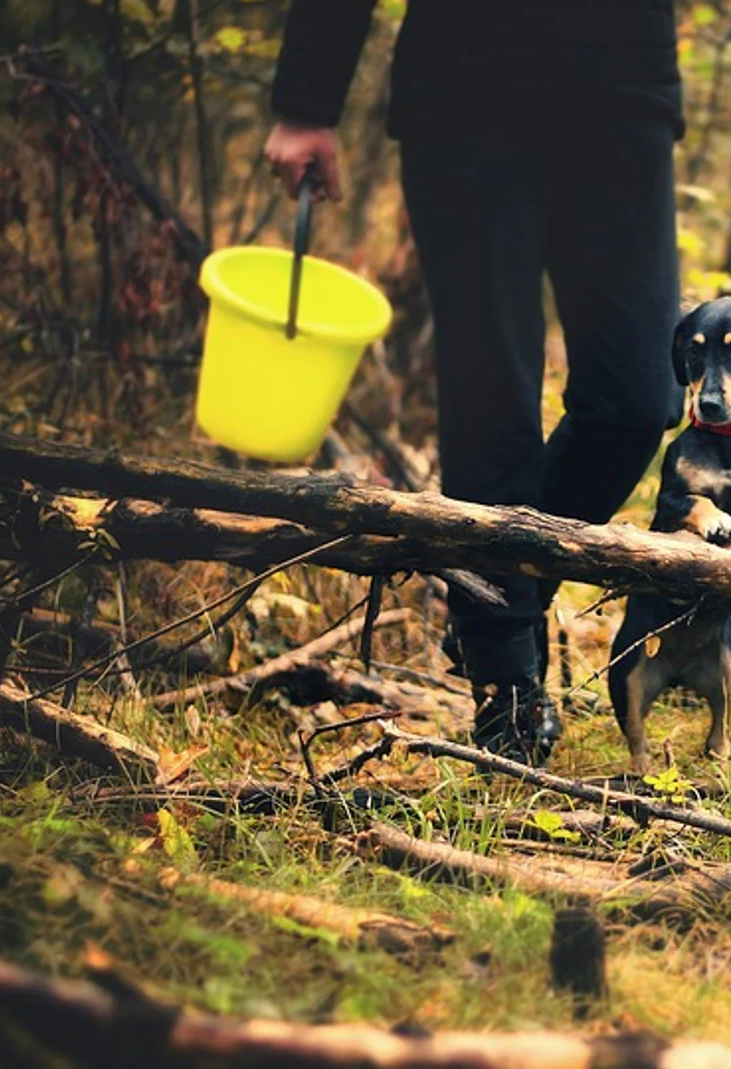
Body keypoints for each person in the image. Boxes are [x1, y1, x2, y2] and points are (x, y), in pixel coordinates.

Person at [264, 2, 686, 766]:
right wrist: (306, 101)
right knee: (492, 386)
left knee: (638, 397)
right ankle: (505, 677)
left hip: (625, 90)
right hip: (469, 86)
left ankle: (496, 588)